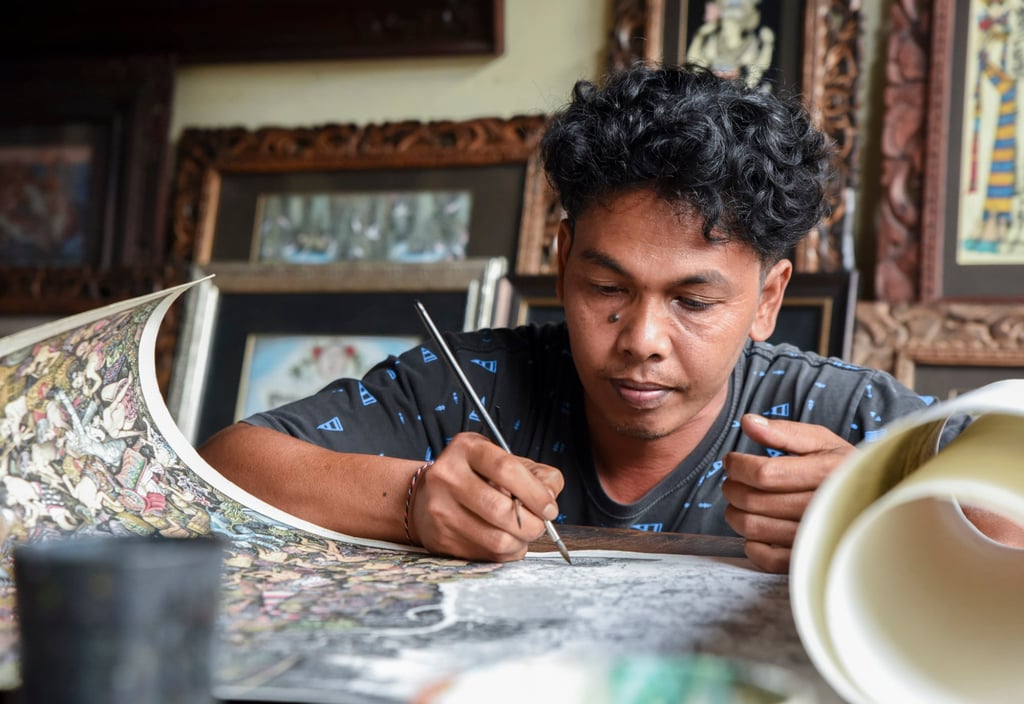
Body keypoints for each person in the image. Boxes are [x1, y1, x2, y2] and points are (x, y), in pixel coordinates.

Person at [198, 63, 1016, 574]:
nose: (642, 342)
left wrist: (880, 507)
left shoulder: (838, 413)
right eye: (605, 288)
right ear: (562, 264)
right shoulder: (470, 383)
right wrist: (411, 499)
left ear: (767, 299)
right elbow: (226, 465)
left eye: (694, 301)